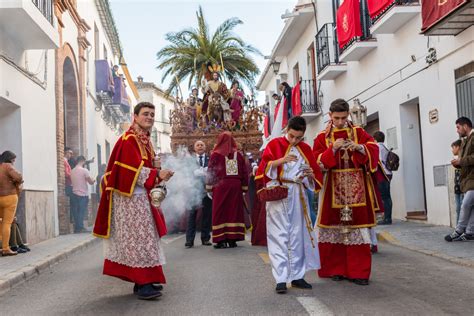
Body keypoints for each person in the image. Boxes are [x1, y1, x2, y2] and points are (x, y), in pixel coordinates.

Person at [93, 102, 174, 300]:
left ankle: (144, 280)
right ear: (135, 117)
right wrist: (157, 173)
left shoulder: (145, 140)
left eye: (152, 114)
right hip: (129, 200)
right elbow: (131, 171)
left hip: (140, 198)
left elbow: (143, 168)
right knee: (140, 240)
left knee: (146, 239)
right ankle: (143, 283)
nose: (150, 117)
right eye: (145, 114)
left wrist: (157, 170)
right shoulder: (129, 139)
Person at [313, 98, 380, 286]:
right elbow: (316, 162)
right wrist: (332, 149)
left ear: (348, 114)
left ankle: (358, 272)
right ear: (330, 116)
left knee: (357, 231)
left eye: (343, 117)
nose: (341, 122)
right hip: (332, 189)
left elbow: (374, 149)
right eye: (337, 118)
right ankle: (336, 269)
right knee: (333, 231)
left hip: (357, 188)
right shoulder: (322, 137)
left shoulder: (359, 133)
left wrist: (360, 147)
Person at [256, 116, 323, 294]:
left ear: (303, 136)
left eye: (298, 138)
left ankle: (297, 276)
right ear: (287, 130)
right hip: (279, 193)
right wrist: (280, 161)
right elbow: (263, 169)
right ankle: (280, 278)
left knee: (298, 235)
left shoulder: (305, 149)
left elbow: (315, 177)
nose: (294, 140)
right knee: (279, 235)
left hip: (298, 194)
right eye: (292, 136)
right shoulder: (274, 144)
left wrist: (309, 174)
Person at [206, 132, 248, 249]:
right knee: (234, 211)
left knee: (220, 211)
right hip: (235, 186)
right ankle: (232, 239)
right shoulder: (238, 155)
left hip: (220, 186)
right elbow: (244, 172)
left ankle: (221, 240)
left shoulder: (215, 154)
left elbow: (211, 171)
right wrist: (244, 187)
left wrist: (209, 187)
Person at [445, 117, 474, 242]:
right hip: (468, 178)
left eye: (458, 127)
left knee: (466, 204)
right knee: (471, 206)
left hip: (472, 179)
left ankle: (459, 230)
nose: (457, 130)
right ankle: (470, 232)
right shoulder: (466, 140)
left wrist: (460, 161)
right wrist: (458, 163)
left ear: (465, 126)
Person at [185, 140, 212, 248]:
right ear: (194, 148)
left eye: (202, 145)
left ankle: (205, 238)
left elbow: (215, 171)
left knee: (207, 215)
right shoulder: (190, 160)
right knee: (192, 215)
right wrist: (194, 173)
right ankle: (189, 240)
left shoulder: (210, 159)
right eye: (198, 145)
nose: (200, 147)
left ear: (205, 147)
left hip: (207, 190)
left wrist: (207, 172)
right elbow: (185, 173)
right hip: (193, 190)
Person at [0, 151, 23, 256]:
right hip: (9, 197)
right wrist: (16, 180)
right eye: (13, 160)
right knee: (7, 223)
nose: (14, 162)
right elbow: (19, 178)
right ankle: (5, 248)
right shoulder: (7, 166)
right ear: (9, 158)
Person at [71, 156, 95, 233]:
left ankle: (77, 228)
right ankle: (80, 228)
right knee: (81, 211)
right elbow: (90, 182)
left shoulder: (72, 170)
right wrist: (93, 180)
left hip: (74, 193)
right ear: (83, 161)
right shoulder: (84, 170)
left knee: (76, 212)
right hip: (83, 194)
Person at [373, 131, 393, 225]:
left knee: (384, 197)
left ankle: (386, 219)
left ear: (375, 139)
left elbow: (378, 161)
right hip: (388, 173)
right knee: (387, 196)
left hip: (382, 174)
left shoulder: (377, 147)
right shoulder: (384, 147)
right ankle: (388, 218)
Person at [451, 139, 463, 225]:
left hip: (463, 188)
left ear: (458, 147)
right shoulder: (456, 159)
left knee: (462, 208)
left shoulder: (463, 159)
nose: (452, 150)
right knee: (458, 209)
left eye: (453, 147)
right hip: (457, 188)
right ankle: (458, 227)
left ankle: (461, 227)